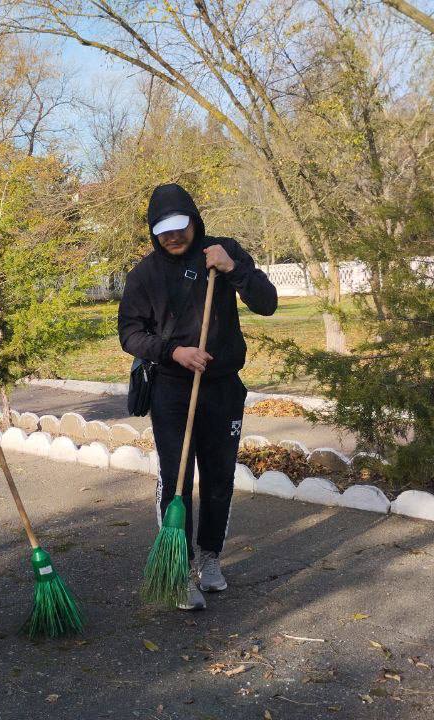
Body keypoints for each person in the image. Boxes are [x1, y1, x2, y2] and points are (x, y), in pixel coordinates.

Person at [118, 183, 278, 611]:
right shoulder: (144, 275)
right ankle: (180, 566)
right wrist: (174, 352)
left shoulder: (221, 252)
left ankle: (210, 558)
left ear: (194, 220)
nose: (173, 237)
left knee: (220, 477)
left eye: (179, 227)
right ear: (153, 232)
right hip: (172, 388)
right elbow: (130, 334)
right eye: (163, 230)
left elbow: (268, 303)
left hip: (223, 387)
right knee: (176, 479)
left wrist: (233, 269)